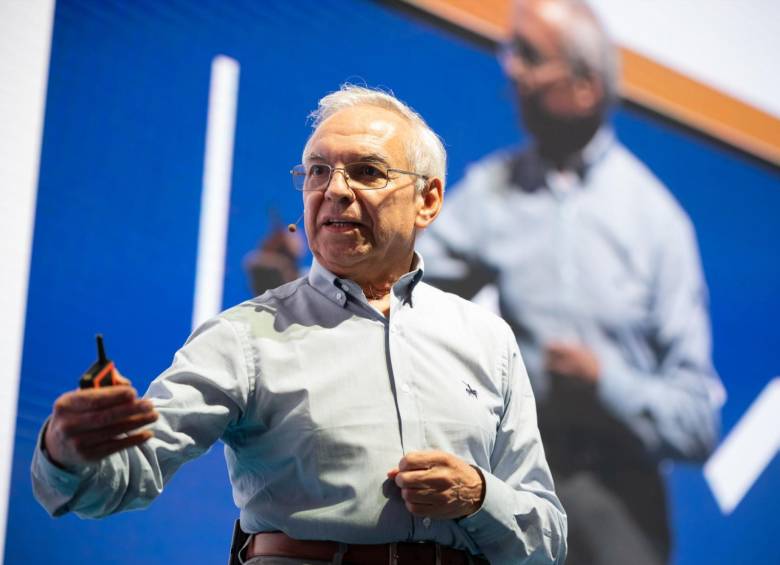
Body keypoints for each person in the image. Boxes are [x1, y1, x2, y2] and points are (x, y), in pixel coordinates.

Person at [32, 85, 567, 565]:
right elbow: (124, 476)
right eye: (317, 171)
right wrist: (66, 450)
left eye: (366, 171)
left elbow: (548, 539)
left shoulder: (486, 339)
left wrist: (478, 496)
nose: (334, 190)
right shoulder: (243, 336)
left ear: (427, 200)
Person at [416, 1, 725, 564]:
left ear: (585, 86)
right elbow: (402, 277)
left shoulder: (657, 224)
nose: (510, 68)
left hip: (619, 509)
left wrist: (606, 382)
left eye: (530, 56)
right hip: (513, 487)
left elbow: (697, 422)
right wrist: (322, 267)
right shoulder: (491, 192)